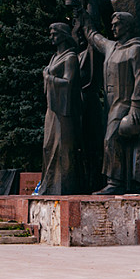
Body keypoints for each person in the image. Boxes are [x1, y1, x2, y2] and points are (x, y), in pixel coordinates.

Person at [79, 11, 140, 195]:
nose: (113, 27)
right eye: (112, 24)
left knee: (111, 138)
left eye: (117, 24)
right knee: (109, 140)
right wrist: (82, 15)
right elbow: (94, 37)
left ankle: (115, 182)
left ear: (127, 25)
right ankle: (119, 181)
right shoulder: (111, 47)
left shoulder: (136, 48)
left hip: (125, 102)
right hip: (110, 103)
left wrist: (136, 105)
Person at [41, 23, 83, 195]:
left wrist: (48, 77)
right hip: (52, 108)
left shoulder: (70, 57)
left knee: (62, 146)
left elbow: (68, 83)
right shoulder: (54, 57)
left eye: (54, 34)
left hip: (64, 111)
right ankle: (50, 184)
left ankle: (63, 185)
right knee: (48, 146)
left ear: (64, 35)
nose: (51, 37)